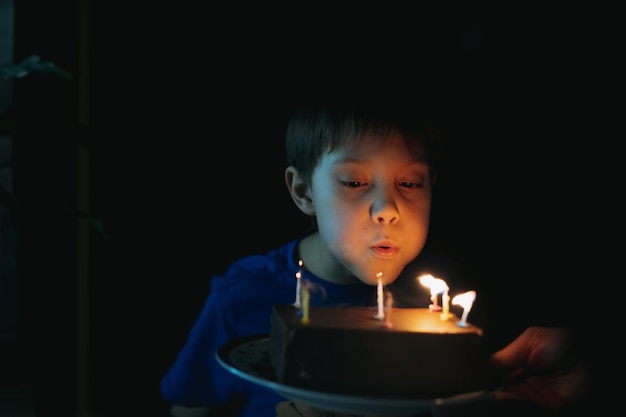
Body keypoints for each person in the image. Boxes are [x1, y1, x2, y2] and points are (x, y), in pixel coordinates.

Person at [160, 101, 593, 417]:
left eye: (409, 182)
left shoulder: (443, 310)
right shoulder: (242, 298)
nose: (388, 208)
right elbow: (189, 407)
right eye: (353, 181)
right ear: (303, 191)